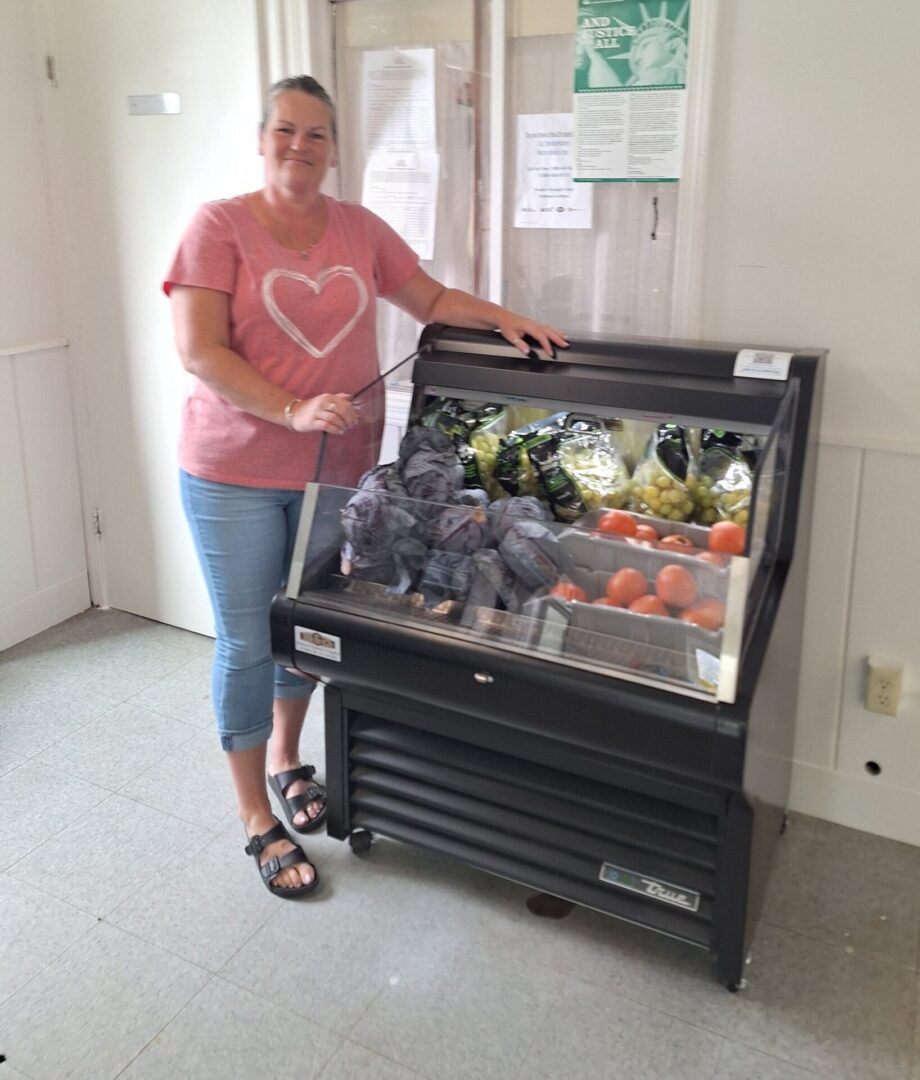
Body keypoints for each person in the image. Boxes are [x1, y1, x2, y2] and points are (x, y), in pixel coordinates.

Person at [164, 74, 568, 899]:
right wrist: (289, 406)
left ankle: (286, 756)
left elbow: (429, 298)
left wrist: (503, 318)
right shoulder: (219, 227)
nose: (299, 148)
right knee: (247, 639)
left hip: (336, 472)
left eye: (316, 135)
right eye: (286, 131)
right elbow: (201, 350)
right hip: (232, 470)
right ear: (262, 136)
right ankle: (253, 815)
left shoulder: (357, 228)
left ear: (336, 148)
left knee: (307, 624)